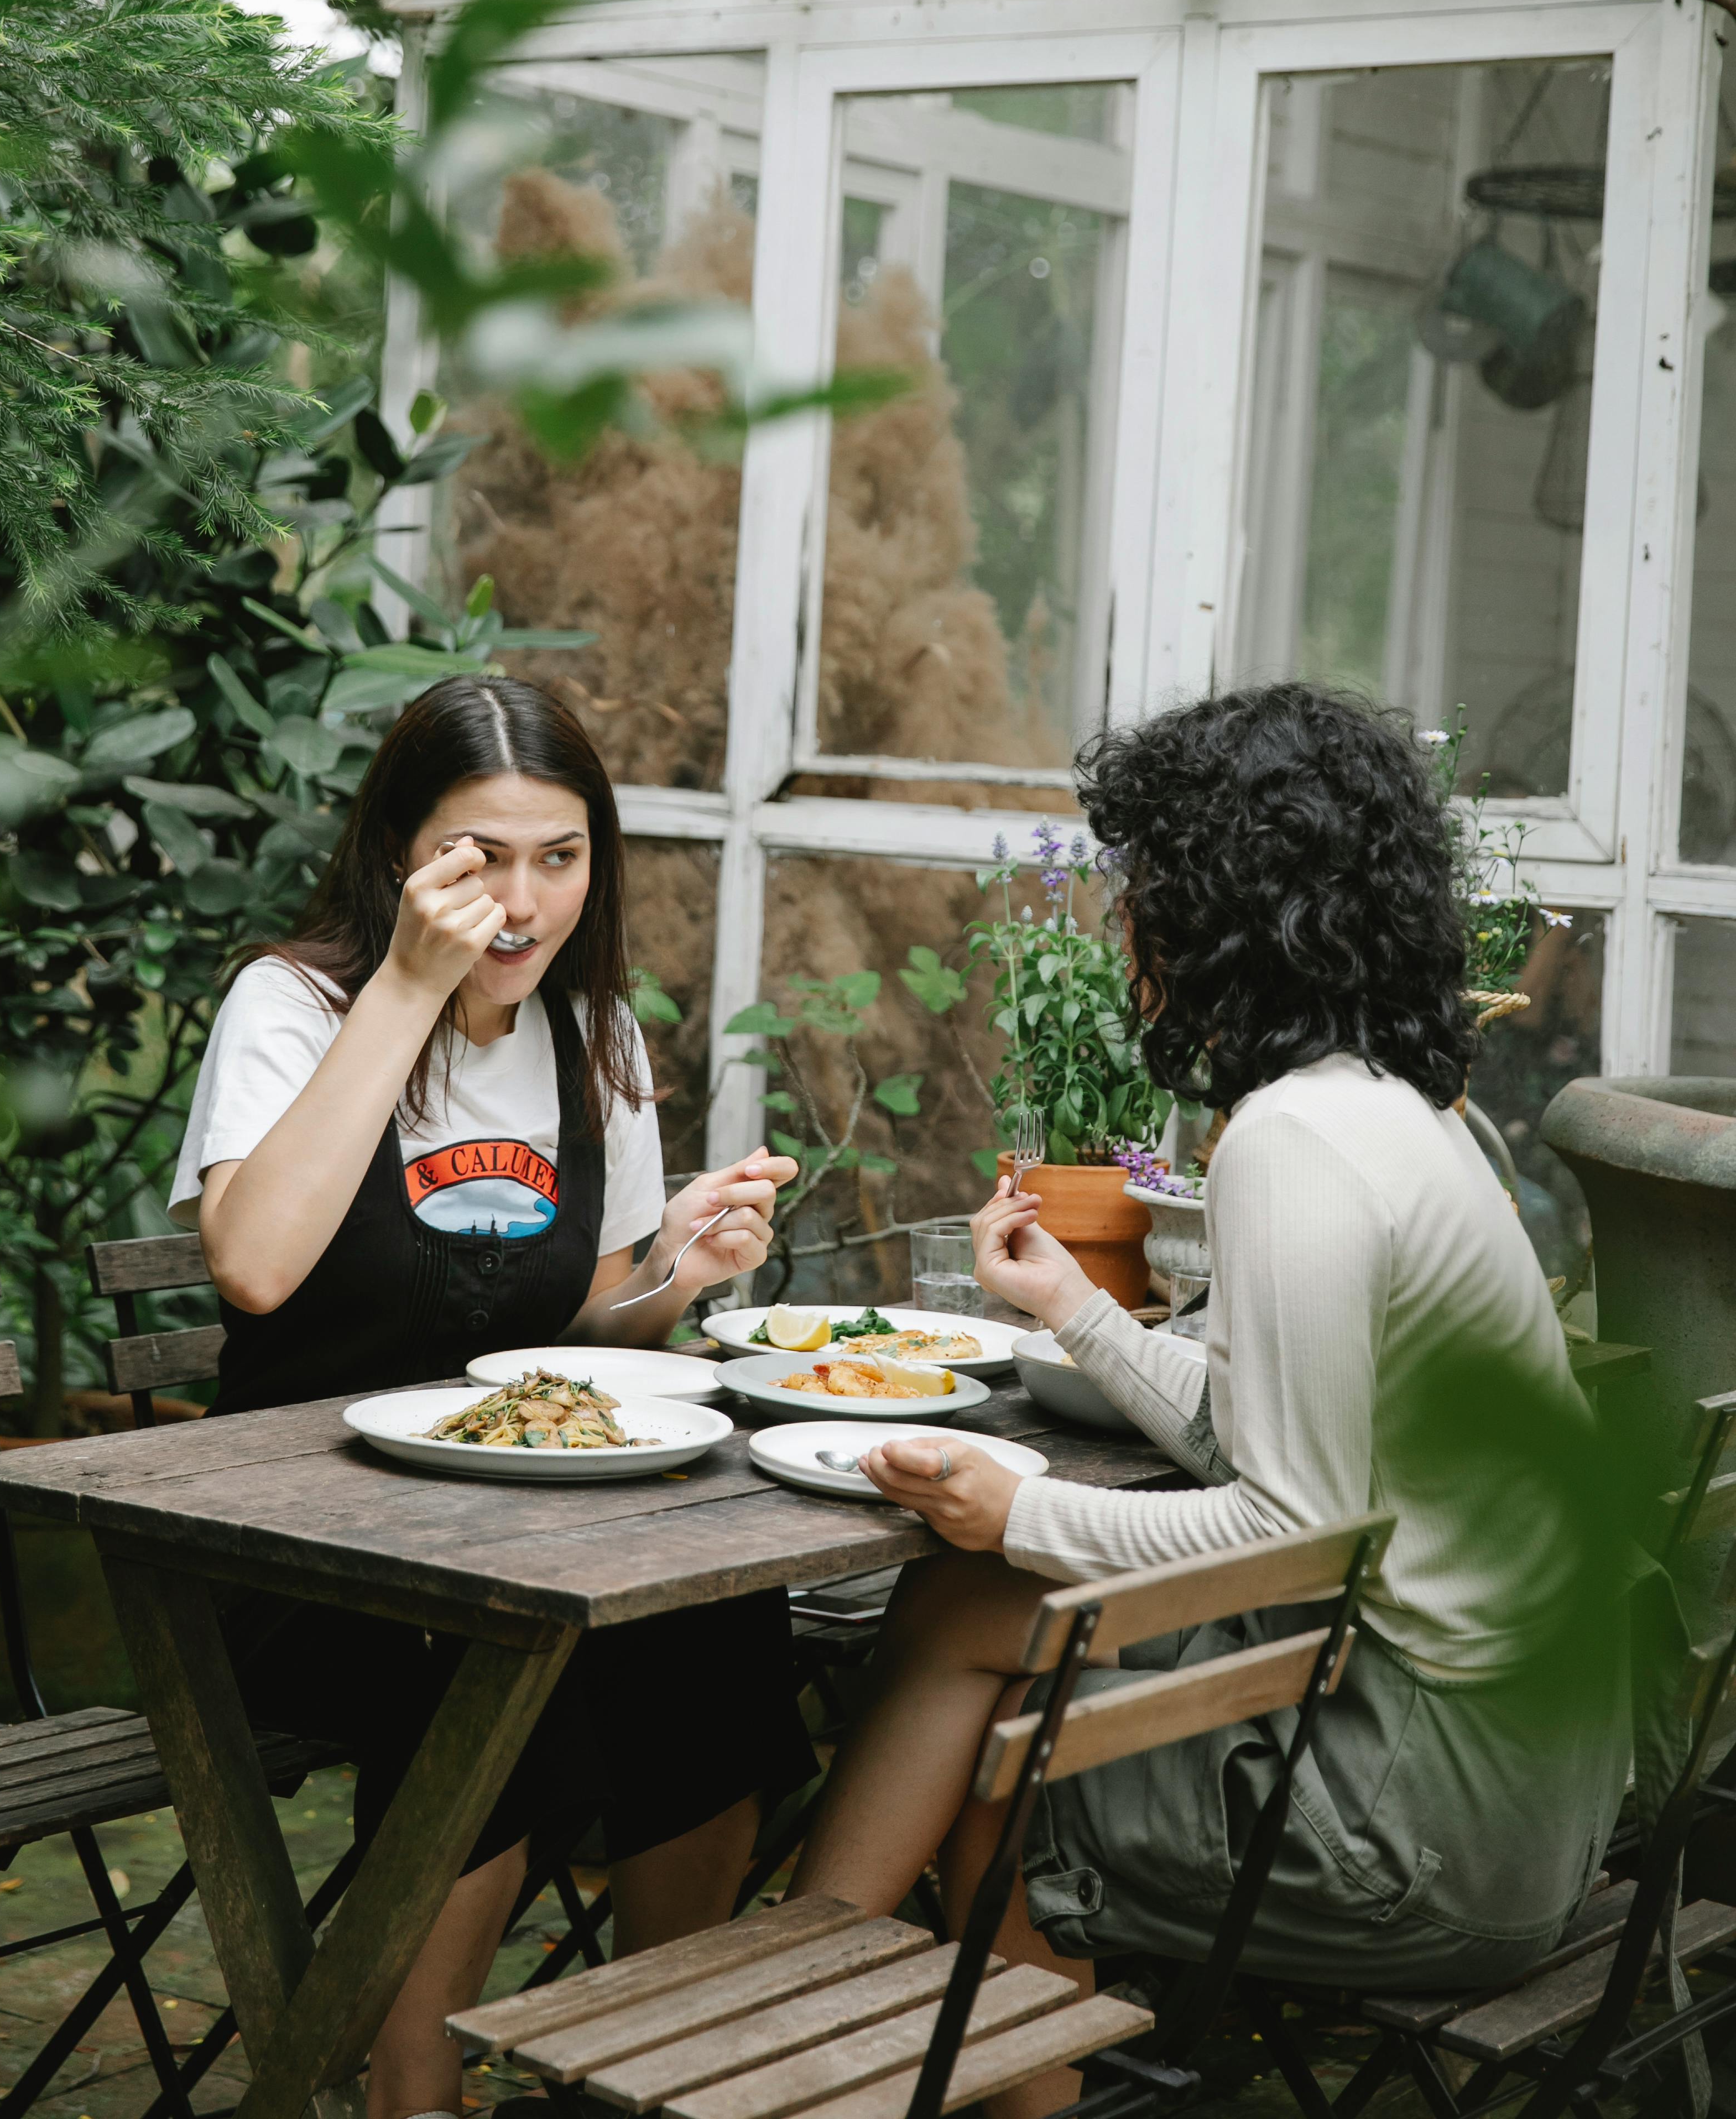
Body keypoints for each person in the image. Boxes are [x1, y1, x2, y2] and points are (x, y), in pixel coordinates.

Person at [790, 683, 1626, 2117]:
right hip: (1532, 1782)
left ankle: (809, 2034)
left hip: (1434, 1830)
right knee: (961, 1616)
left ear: (1228, 908)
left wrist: (1020, 1503)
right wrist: (1077, 1311)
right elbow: (1284, 1437)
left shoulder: (1295, 1144)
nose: (1126, 925)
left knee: (1006, 1754)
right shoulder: (1390, 1110)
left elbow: (1295, 1525)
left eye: (1147, 887)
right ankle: (806, 1997)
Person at [170, 672, 814, 2119]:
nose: (521, 904)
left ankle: (659, 2061)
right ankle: (414, 2080)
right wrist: (405, 987)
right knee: (501, 1656)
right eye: (478, 859)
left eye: (560, 856)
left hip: (511, 1521)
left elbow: (574, 1317)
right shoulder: (293, 1006)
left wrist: (680, 1273)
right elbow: (255, 1268)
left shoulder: (597, 1040)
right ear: (403, 853)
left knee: (714, 1620)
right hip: (286, 1546)